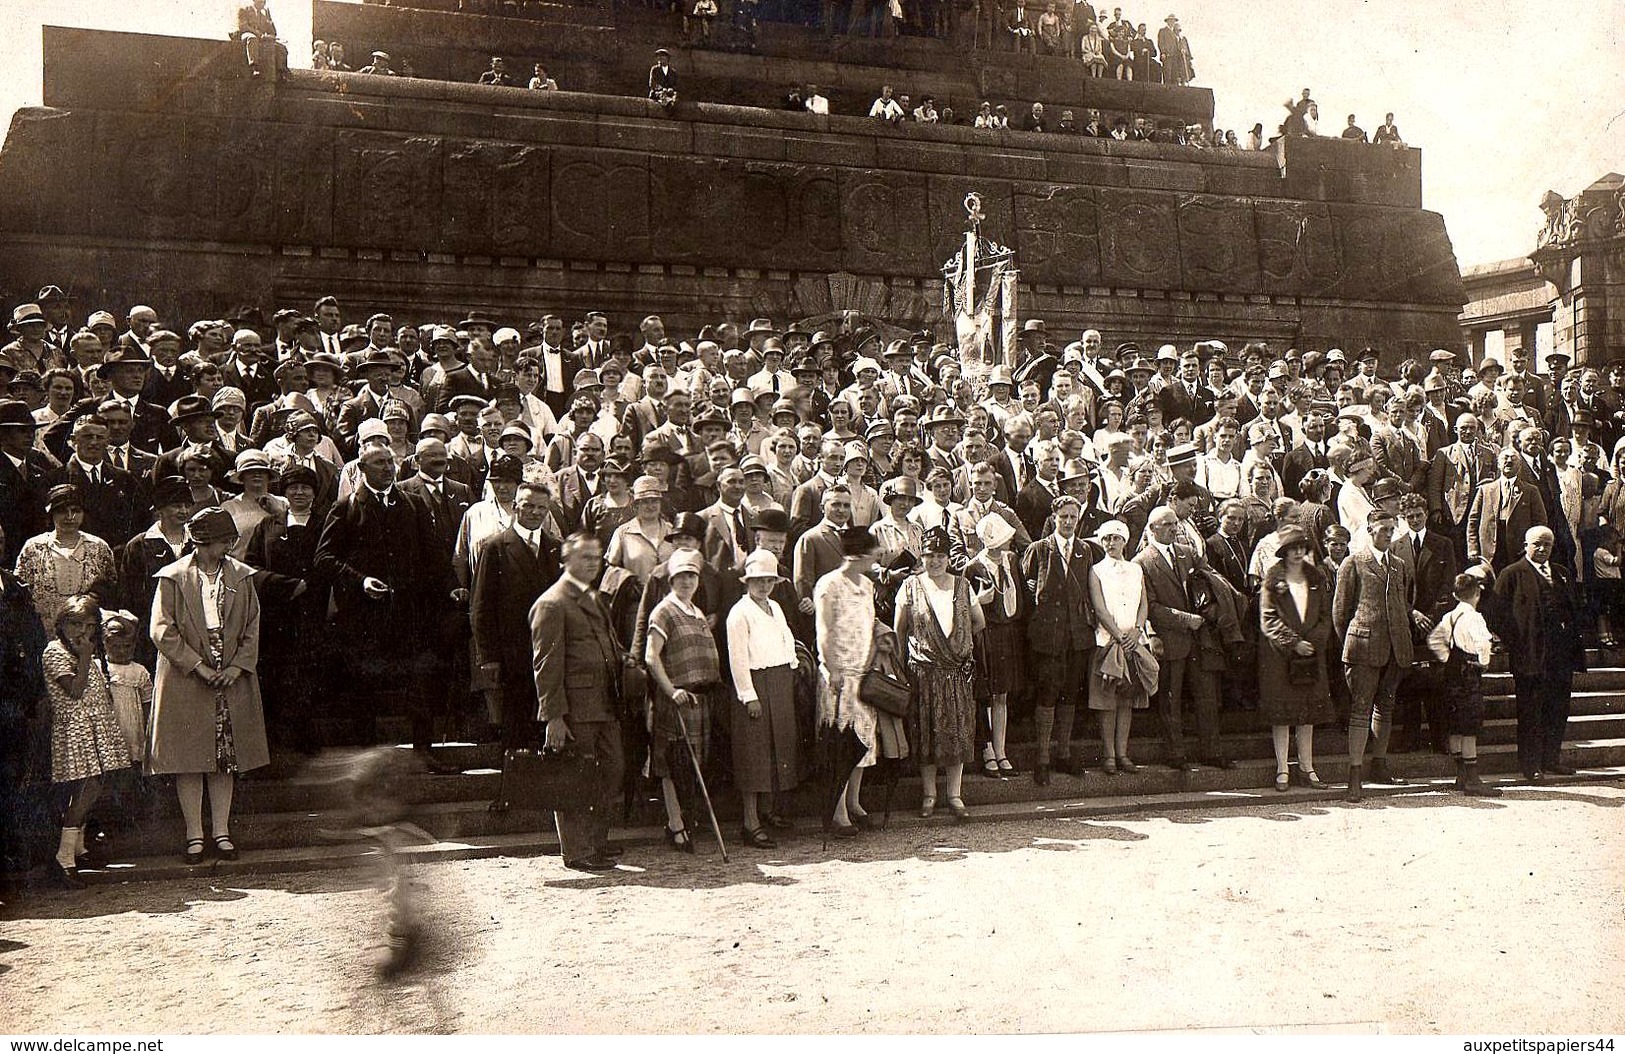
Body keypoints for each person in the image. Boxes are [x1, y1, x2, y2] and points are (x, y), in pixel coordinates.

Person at [148, 507, 267, 864]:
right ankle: (194, 835)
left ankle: (221, 831)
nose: (229, 545)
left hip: (230, 672)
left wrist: (238, 666)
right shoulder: (172, 577)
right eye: (222, 540)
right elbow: (162, 629)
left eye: (230, 540)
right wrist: (197, 665)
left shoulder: (242, 577)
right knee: (189, 757)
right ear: (201, 543)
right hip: (188, 674)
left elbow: (252, 625)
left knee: (224, 759)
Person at [531, 532, 627, 874]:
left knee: (611, 770)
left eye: (596, 558)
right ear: (566, 560)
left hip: (605, 703)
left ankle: (596, 842)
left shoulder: (595, 598)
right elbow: (546, 665)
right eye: (585, 557)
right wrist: (553, 717)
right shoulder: (552, 603)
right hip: (576, 708)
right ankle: (577, 850)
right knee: (575, 778)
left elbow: (609, 645)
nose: (592, 564)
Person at [815, 528, 902, 835]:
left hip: (864, 674)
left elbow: (868, 619)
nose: (875, 560)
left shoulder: (866, 584)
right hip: (838, 676)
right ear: (858, 556)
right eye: (872, 555)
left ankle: (854, 802)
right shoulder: (829, 585)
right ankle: (837, 813)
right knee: (841, 743)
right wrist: (832, 667)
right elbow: (824, 629)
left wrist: (881, 636)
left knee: (863, 742)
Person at [42, 594, 131, 886]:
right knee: (85, 789)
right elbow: (75, 690)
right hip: (75, 731)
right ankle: (63, 857)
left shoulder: (88, 652)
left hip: (94, 728)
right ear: (62, 624)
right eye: (75, 624)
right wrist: (83, 657)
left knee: (94, 786)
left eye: (89, 625)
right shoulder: (55, 652)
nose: (82, 631)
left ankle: (77, 849)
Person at [895, 527, 983, 821]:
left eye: (940, 556)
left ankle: (955, 795)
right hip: (923, 671)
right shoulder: (910, 586)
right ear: (922, 556)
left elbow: (978, 622)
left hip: (955, 672)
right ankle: (929, 794)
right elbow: (900, 628)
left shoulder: (962, 585)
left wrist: (958, 645)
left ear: (949, 558)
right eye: (929, 555)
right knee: (926, 734)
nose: (934, 561)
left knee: (957, 732)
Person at [1332, 508, 1417, 801]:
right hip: (1364, 647)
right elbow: (1340, 614)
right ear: (1369, 530)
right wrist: (1354, 642)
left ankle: (1379, 765)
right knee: (1360, 709)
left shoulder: (1399, 564)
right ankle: (1354, 776)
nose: (1388, 535)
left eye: (1392, 530)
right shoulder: (1353, 563)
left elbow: (1404, 604)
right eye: (1382, 530)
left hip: (1395, 647)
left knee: (1386, 706)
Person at [472, 481, 562, 753]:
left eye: (541, 508)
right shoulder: (496, 547)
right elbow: (481, 606)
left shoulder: (555, 547)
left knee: (545, 718)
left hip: (550, 650)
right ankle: (514, 788)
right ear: (516, 507)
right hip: (514, 652)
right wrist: (489, 656)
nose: (535, 512)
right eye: (529, 506)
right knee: (517, 721)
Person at [1493, 526, 1586, 782]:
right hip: (1530, 656)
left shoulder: (1562, 573)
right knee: (1531, 712)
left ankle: (1551, 760)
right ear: (1525, 545)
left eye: (1547, 544)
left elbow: (1573, 610)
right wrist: (1517, 642)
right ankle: (1531, 765)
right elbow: (1496, 615)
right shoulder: (1512, 574)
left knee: (1557, 709)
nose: (1542, 549)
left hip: (1560, 656)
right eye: (1537, 544)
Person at [643, 550, 721, 853]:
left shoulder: (697, 611)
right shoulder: (663, 611)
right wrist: (671, 690)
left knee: (692, 764)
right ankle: (675, 825)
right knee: (672, 764)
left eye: (692, 575)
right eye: (681, 576)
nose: (687, 581)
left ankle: (686, 821)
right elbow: (651, 657)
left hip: (700, 700)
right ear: (671, 579)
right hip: (676, 699)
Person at [723, 550, 802, 848]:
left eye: (769, 580)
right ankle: (750, 822)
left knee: (778, 749)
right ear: (747, 581)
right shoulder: (739, 613)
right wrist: (748, 695)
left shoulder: (776, 607)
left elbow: (786, 638)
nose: (763, 585)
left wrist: (792, 667)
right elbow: (738, 659)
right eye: (757, 580)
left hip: (780, 681)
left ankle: (769, 812)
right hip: (755, 684)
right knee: (753, 755)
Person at [1021, 494, 1094, 783]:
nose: (1067, 522)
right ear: (1053, 518)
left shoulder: (1085, 550)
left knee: (1069, 695)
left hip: (1076, 635)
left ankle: (1063, 754)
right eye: (1063, 517)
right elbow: (1028, 594)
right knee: (1048, 694)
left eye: (1073, 517)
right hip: (1048, 636)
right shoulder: (1039, 549)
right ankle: (1042, 758)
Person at [1256, 525, 1334, 791]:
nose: (1298, 552)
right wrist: (1293, 642)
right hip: (1281, 656)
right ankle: (1282, 769)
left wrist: (1312, 642)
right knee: (1282, 714)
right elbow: (1268, 619)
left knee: (1307, 713)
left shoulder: (1316, 578)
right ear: (1285, 552)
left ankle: (1307, 767)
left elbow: (1326, 615)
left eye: (1302, 548)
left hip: (1311, 655)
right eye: (1293, 548)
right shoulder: (1272, 579)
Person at [1086, 519, 1152, 775]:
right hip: (1108, 641)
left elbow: (1143, 603)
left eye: (1116, 538)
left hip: (1133, 642)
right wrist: (1118, 636)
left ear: (1125, 541)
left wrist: (1136, 630)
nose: (1111, 543)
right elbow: (1099, 607)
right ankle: (1109, 755)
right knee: (1107, 701)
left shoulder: (1136, 569)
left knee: (1127, 700)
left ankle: (1123, 753)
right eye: (1106, 539)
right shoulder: (1097, 570)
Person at [1427, 570, 1501, 796]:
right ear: (1477, 593)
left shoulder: (1449, 616)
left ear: (1454, 594)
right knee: (1470, 725)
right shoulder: (1475, 617)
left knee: (1456, 724)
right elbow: (1483, 642)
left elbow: (1435, 640)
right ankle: (1472, 778)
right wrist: (1484, 661)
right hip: (1469, 672)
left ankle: (1460, 774)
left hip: (1452, 672)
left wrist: (1448, 659)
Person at [965, 513, 1024, 778]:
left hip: (1008, 633)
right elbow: (966, 606)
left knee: (1003, 695)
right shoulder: (974, 567)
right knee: (988, 695)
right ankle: (988, 751)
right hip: (987, 636)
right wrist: (979, 601)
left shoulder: (1011, 561)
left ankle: (1001, 751)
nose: (1008, 542)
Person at [15, 484, 116, 632]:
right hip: (44, 632)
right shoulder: (34, 547)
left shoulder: (99, 547)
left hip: (87, 634)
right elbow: (20, 592)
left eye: (75, 511)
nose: (69, 517)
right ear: (51, 514)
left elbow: (111, 587)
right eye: (62, 511)